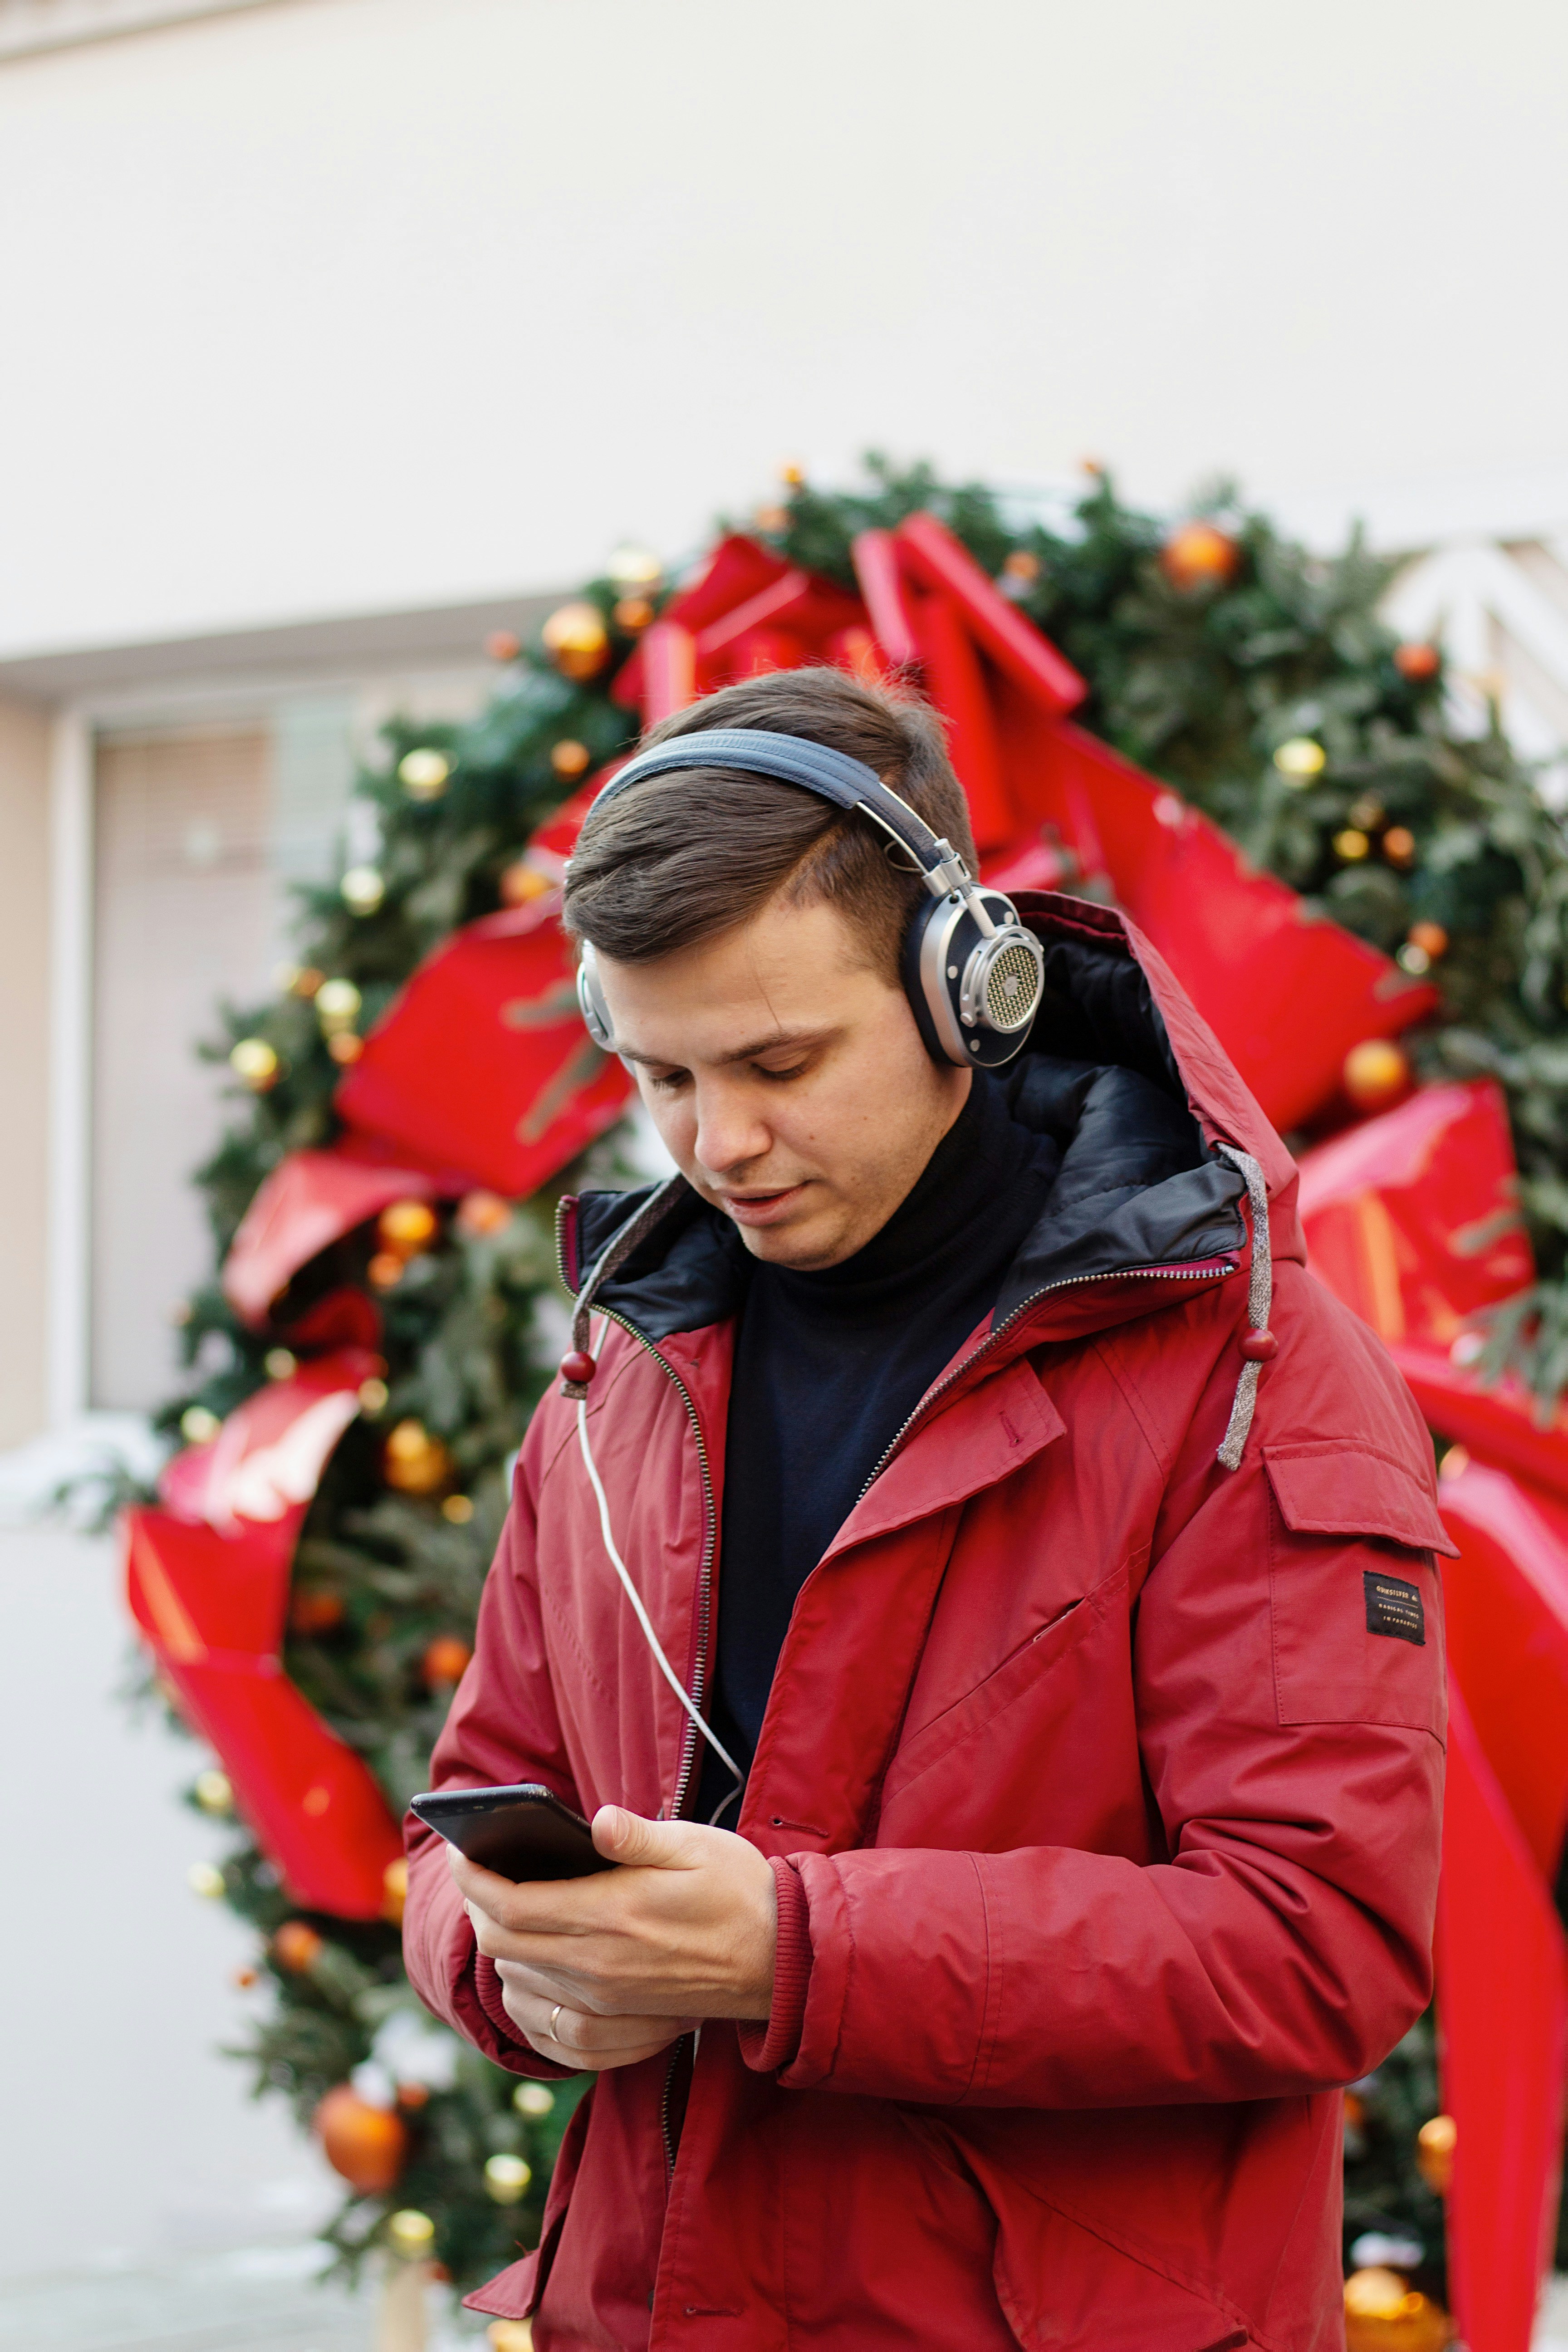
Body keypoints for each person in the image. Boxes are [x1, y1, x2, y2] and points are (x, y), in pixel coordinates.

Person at [404, 666, 1450, 2351]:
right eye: (662, 1077)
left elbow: (1316, 1944)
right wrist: (515, 1972)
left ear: (976, 988)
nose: (718, 1143)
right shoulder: (613, 1378)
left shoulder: (1249, 1373)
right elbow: (459, 1818)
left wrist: (786, 1950)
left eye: (778, 1060)